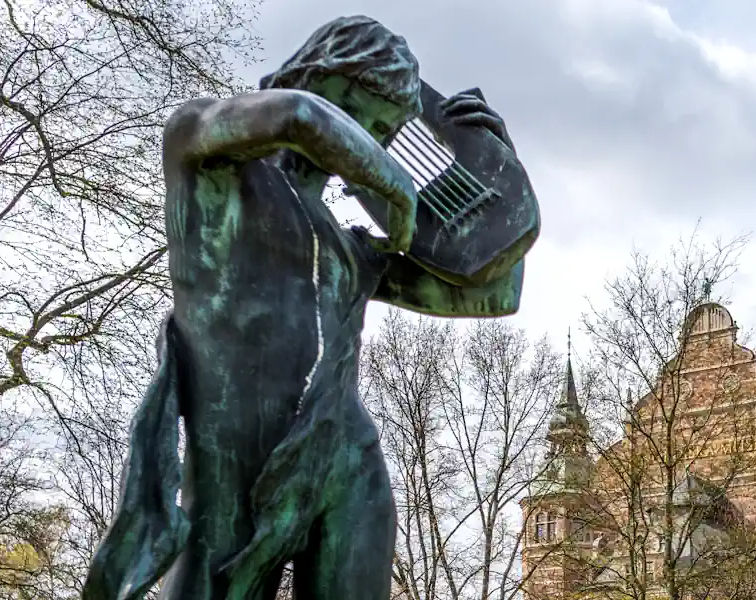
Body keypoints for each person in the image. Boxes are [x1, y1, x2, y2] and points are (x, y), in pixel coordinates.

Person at [83, 16, 528, 600]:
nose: (370, 140)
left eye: (383, 131)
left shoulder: (344, 245)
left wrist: (501, 171)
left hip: (342, 450)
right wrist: (396, 187)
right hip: (237, 448)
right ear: (320, 75)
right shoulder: (207, 160)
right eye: (364, 118)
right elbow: (295, 115)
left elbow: (494, 295)